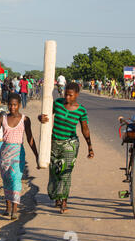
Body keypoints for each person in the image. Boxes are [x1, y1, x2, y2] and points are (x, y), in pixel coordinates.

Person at [0, 93, 40, 220]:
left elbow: (30, 138)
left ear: (19, 105)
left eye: (15, 105)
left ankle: (15, 209)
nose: (12, 107)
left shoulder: (25, 119)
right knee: (6, 179)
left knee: (15, 179)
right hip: (5, 152)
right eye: (10, 105)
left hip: (18, 152)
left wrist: (37, 155)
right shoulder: (2, 118)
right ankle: (7, 208)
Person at [38, 82, 94, 214]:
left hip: (70, 144)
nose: (67, 98)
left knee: (66, 173)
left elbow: (85, 129)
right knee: (54, 171)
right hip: (54, 142)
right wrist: (40, 118)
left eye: (70, 95)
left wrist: (90, 147)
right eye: (66, 94)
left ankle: (64, 201)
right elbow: (45, 115)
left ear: (77, 95)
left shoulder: (81, 110)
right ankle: (57, 196)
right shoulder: (57, 103)